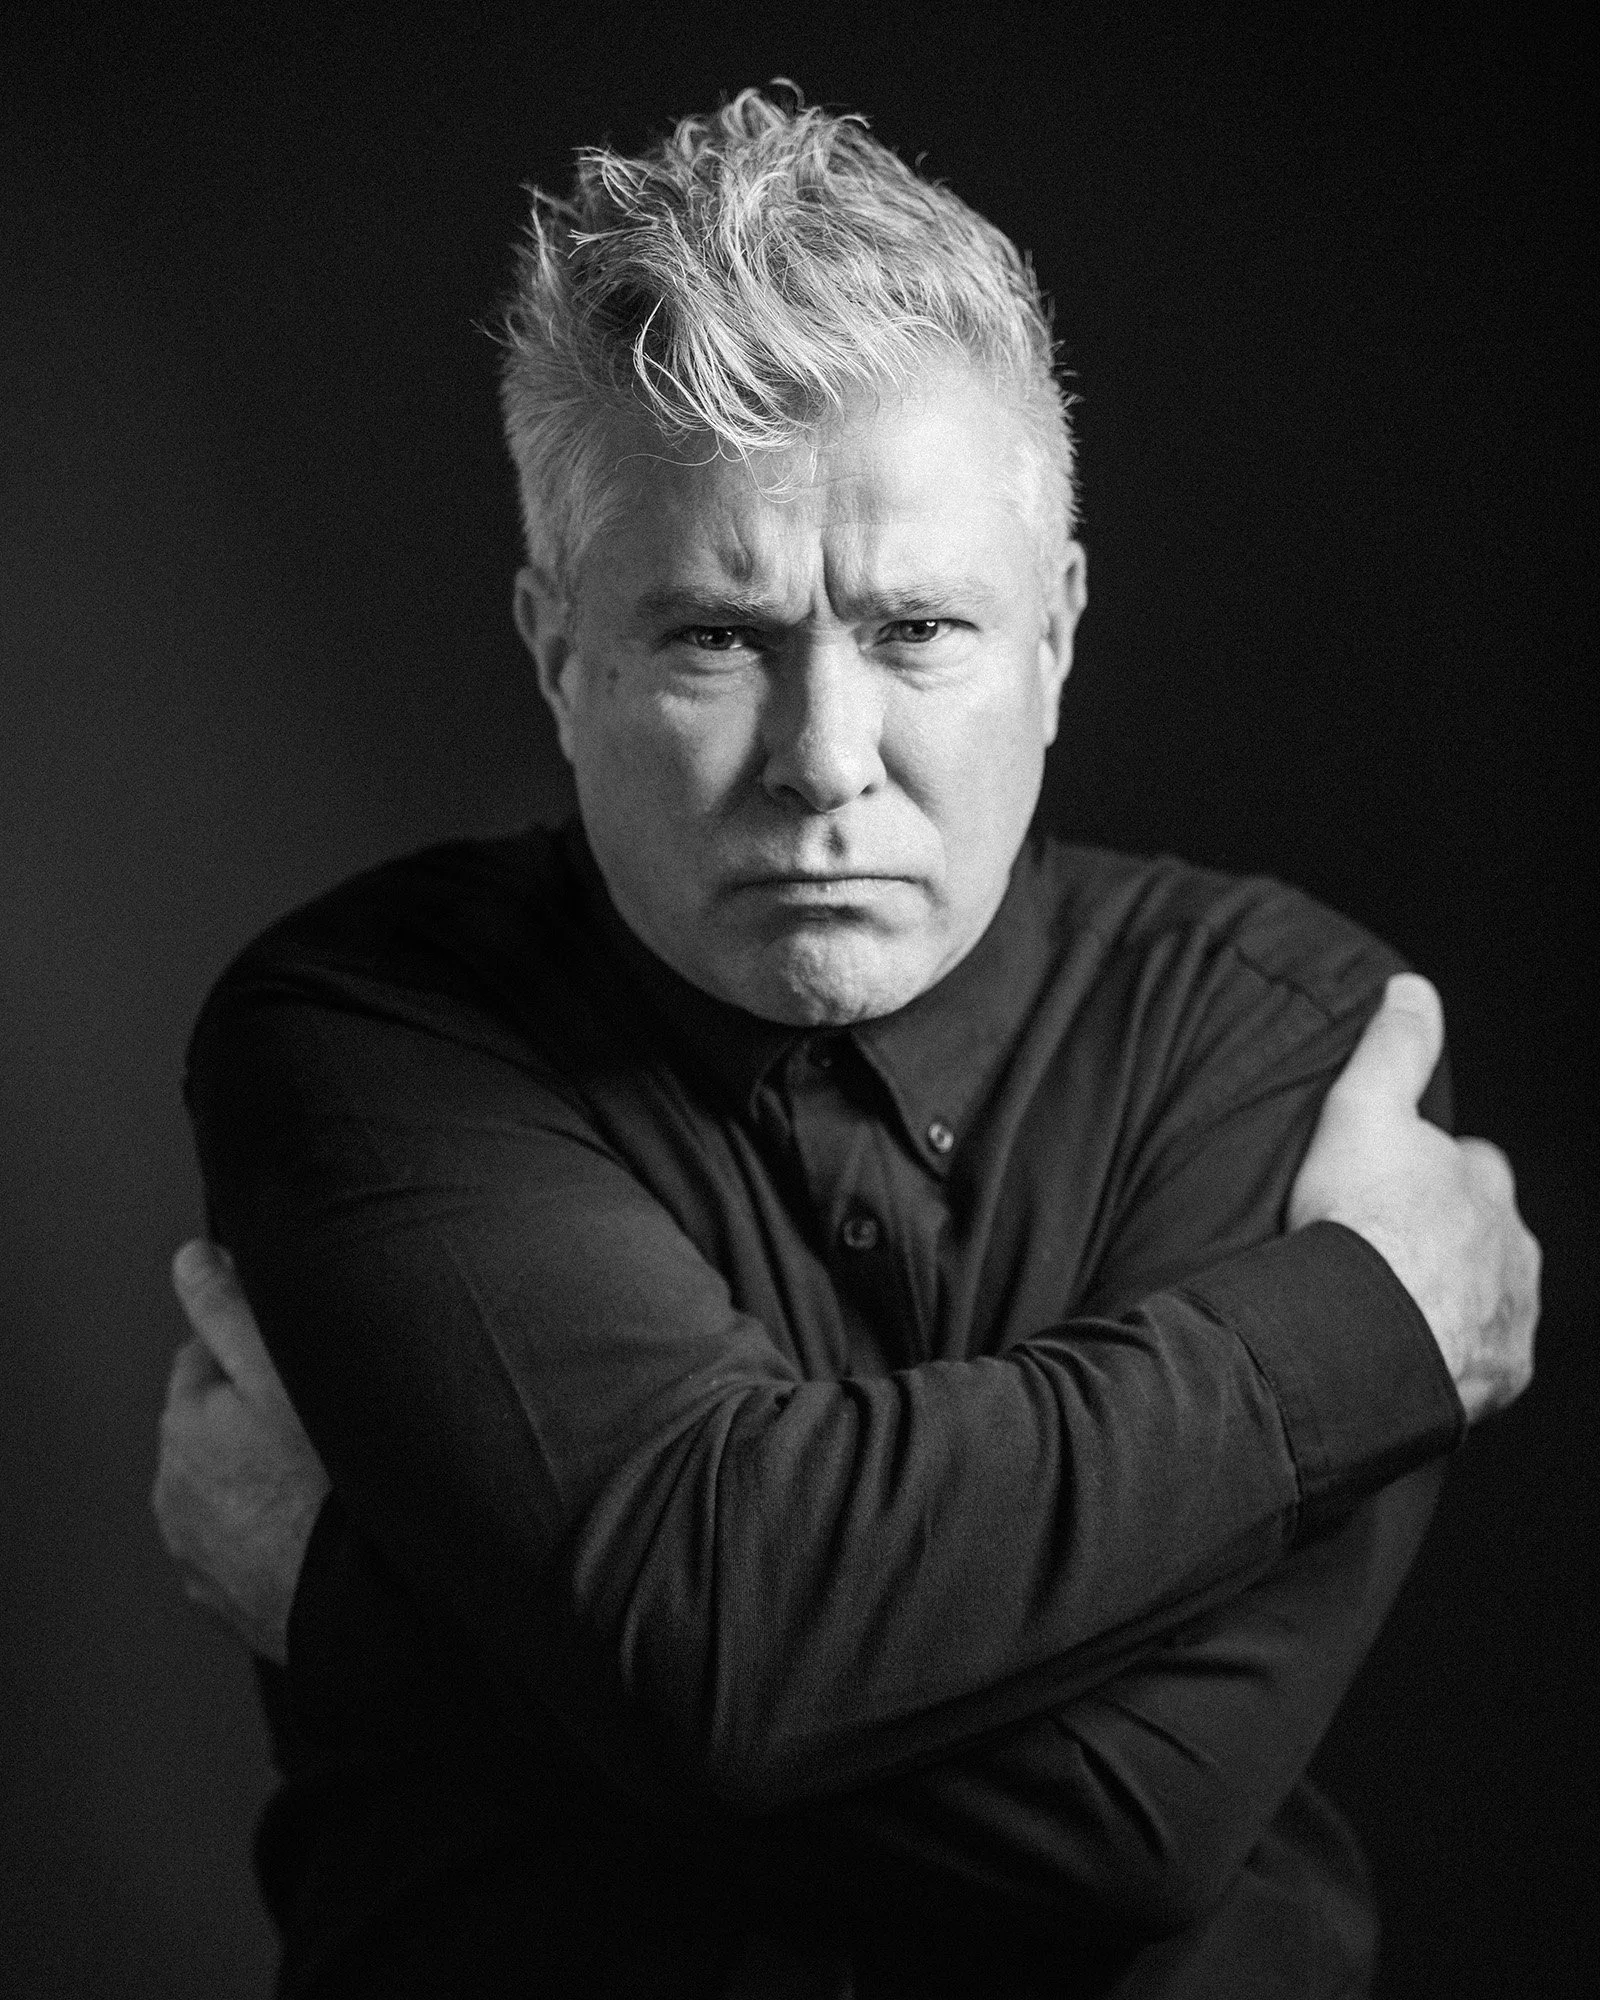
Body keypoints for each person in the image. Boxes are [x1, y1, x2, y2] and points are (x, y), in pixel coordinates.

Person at [152, 88, 1538, 1999]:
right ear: (561, 654)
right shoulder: (371, 1035)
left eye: (915, 631)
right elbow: (725, 1644)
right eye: (717, 636)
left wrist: (377, 1622)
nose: (824, 759)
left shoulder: (1285, 1031)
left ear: (1052, 632)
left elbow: (1124, 1831)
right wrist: (1361, 1333)